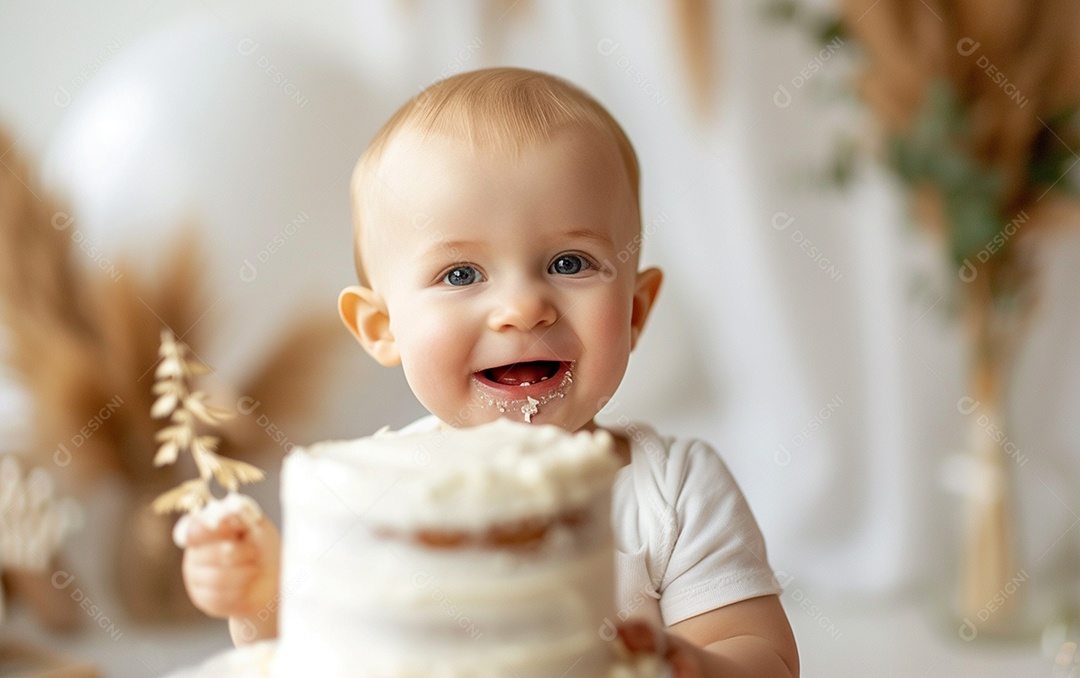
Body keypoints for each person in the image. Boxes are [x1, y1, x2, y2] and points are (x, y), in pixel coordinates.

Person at [183, 67, 799, 677]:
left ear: (635, 311)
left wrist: (688, 663)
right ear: (382, 327)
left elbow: (761, 655)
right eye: (461, 275)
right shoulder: (376, 493)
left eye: (568, 261)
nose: (523, 307)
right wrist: (261, 599)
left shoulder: (672, 491)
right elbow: (323, 651)